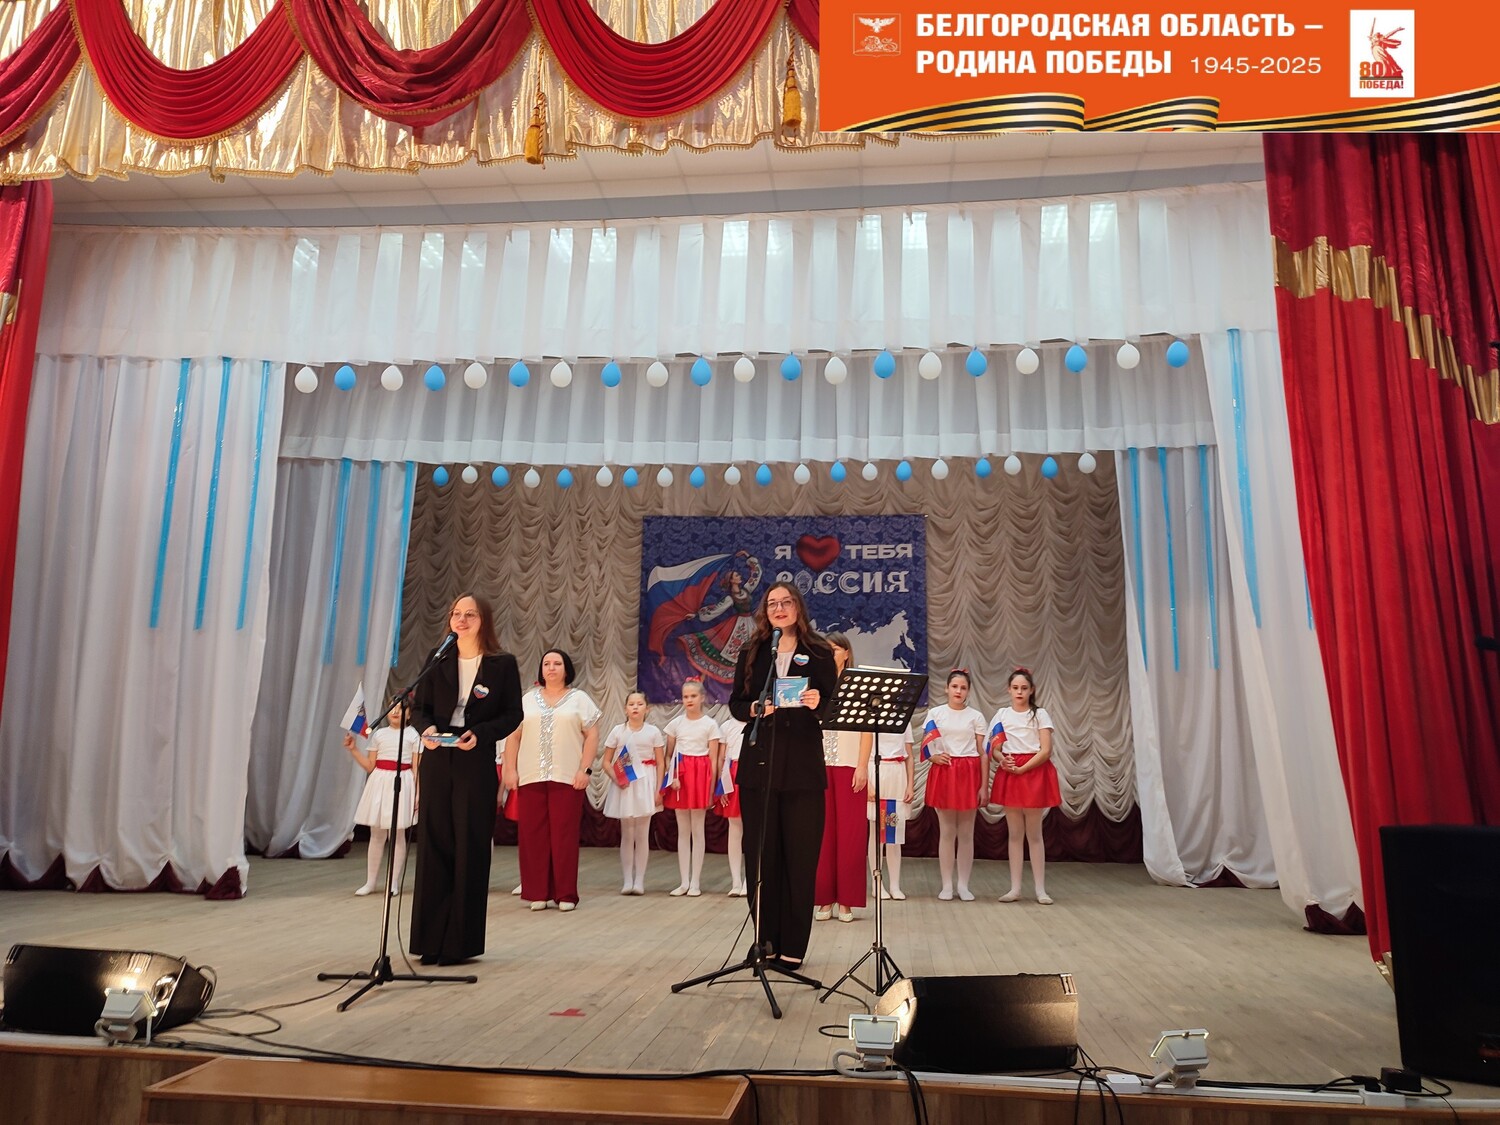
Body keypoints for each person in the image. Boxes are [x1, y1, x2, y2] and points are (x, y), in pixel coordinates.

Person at [728, 582, 837, 970]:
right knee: (761, 859)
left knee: (800, 859)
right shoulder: (753, 650)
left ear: (798, 607)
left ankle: (793, 945)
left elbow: (834, 708)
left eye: (785, 602)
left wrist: (819, 702)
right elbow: (736, 704)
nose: (779, 608)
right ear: (765, 611)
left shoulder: (819, 651)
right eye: (772, 603)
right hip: (759, 765)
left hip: (803, 768)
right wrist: (756, 709)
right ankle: (765, 941)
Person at [410, 593, 523, 965]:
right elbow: (419, 708)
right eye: (456, 614)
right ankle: (429, 941)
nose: (461, 620)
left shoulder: (501, 663)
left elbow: (513, 714)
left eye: (470, 614)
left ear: (483, 620)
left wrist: (483, 733)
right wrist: (426, 729)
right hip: (437, 758)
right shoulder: (438, 657)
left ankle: (460, 944)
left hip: (474, 758)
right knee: (433, 844)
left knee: (469, 847)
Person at [502, 649, 601, 912]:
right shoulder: (527, 700)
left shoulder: (579, 699)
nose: (551, 668)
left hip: (567, 777)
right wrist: (510, 769)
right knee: (532, 836)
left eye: (557, 663)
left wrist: (585, 769)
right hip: (531, 775)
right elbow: (513, 736)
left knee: (564, 836)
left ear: (566, 669)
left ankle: (565, 893)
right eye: (547, 663)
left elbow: (592, 735)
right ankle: (537, 892)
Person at [989, 666, 1060, 904]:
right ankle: (1015, 888)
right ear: (1008, 690)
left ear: (1032, 690)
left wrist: (1024, 768)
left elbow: (1046, 750)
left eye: (1024, 688)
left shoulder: (1040, 714)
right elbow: (994, 749)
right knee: (1015, 833)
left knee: (1035, 833)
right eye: (1015, 688)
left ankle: (1040, 890)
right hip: (1011, 771)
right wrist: (1003, 760)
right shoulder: (1001, 715)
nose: (1019, 692)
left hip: (1033, 771)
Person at [921, 669, 987, 902]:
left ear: (968, 691)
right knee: (947, 831)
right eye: (955, 686)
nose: (959, 691)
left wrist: (984, 786)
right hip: (945, 771)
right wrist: (933, 757)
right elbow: (927, 744)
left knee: (967, 832)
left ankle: (964, 885)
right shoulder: (935, 713)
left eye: (963, 687)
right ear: (946, 688)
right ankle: (947, 885)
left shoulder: (976, 716)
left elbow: (983, 753)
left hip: (969, 772)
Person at [343, 700, 422, 897]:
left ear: (409, 713)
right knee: (376, 834)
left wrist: (417, 793)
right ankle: (370, 882)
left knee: (397, 833)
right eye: (392, 708)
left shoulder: (413, 735)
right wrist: (353, 749)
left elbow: (416, 768)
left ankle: (393, 881)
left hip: (402, 782)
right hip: (379, 782)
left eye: (400, 708)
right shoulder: (379, 734)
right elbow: (370, 766)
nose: (395, 712)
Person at [814, 633, 866, 923]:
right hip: (820, 765)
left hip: (849, 765)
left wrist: (862, 766)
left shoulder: (858, 685)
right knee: (822, 833)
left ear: (846, 653)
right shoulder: (816, 685)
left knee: (850, 835)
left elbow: (867, 730)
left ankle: (846, 901)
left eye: (833, 650)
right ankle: (824, 899)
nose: (829, 654)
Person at [663, 677, 723, 897]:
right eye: (685, 696)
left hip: (700, 776)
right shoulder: (675, 724)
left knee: (698, 830)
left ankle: (695, 882)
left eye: (693, 696)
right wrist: (672, 777)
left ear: (702, 698)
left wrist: (711, 789)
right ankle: (683, 882)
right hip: (681, 776)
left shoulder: (710, 725)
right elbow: (668, 755)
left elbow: (714, 760)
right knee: (682, 830)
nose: (689, 700)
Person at [602, 690, 665, 895]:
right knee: (627, 833)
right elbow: (606, 761)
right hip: (625, 783)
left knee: (642, 833)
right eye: (631, 704)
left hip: (645, 782)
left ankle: (639, 881)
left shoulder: (653, 732)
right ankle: (627, 880)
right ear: (625, 709)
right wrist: (616, 779)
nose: (635, 707)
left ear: (647, 709)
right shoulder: (618, 731)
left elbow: (661, 763)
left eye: (639, 704)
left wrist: (659, 789)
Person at [861, 722, 914, 901]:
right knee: (876, 831)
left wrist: (910, 784)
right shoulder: (870, 719)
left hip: (897, 774)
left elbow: (909, 756)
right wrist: (867, 783)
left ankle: (895, 885)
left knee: (894, 832)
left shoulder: (904, 720)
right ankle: (877, 883)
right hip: (876, 771)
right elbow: (862, 751)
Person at [717, 713, 747, 896]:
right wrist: (722, 786)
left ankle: (748, 881)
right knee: (734, 828)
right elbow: (722, 758)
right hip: (732, 776)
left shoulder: (759, 722)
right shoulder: (727, 726)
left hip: (752, 774)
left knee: (752, 830)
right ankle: (736, 881)